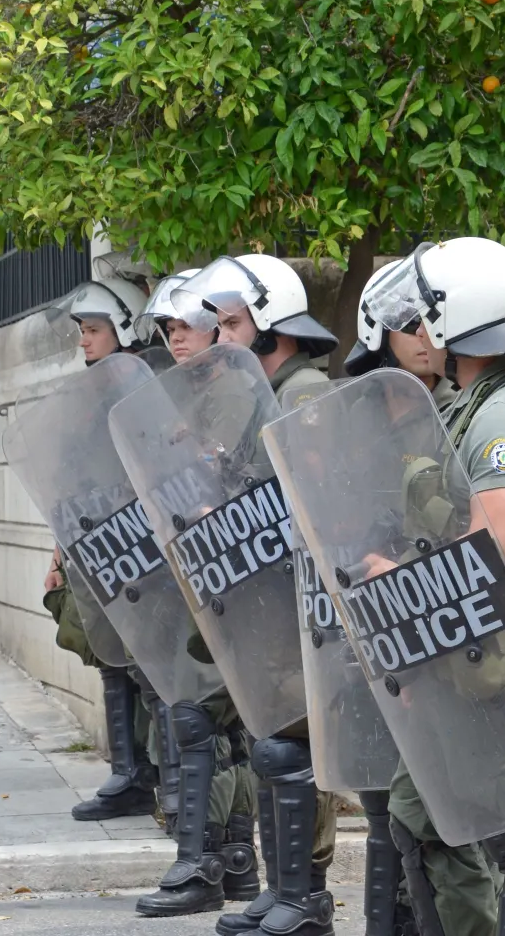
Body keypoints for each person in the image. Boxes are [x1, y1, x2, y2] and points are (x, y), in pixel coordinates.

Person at [357, 237, 505, 936]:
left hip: (498, 662)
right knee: (427, 821)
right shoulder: (474, 401)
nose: (417, 332)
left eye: (424, 314)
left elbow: (497, 549)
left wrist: (398, 584)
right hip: (462, 653)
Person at [171, 255, 343, 936]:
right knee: (272, 741)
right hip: (269, 600)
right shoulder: (266, 392)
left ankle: (308, 895)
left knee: (295, 745)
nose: (223, 337)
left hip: (301, 600)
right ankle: (284, 887)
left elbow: (314, 498)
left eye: (235, 323)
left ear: (274, 325)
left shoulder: (300, 393)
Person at [128, 272, 264, 919]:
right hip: (206, 570)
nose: (175, 337)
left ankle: (204, 860)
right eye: (168, 329)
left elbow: (215, 476)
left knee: (203, 717)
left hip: (236, 572)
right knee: (216, 721)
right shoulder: (192, 391)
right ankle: (233, 861)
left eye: (185, 325)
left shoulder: (231, 386)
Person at [38, 277, 164, 822]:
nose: (84, 342)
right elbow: (73, 478)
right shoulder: (90, 391)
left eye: (93, 331)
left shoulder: (145, 389)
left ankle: (161, 778)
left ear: (125, 329)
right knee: (109, 654)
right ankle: (129, 773)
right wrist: (59, 550)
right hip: (93, 543)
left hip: (141, 547)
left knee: (146, 664)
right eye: (83, 331)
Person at [344, 259, 457, 411]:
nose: (424, 334)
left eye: (433, 322)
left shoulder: (462, 409)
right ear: (381, 333)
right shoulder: (364, 410)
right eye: (411, 324)